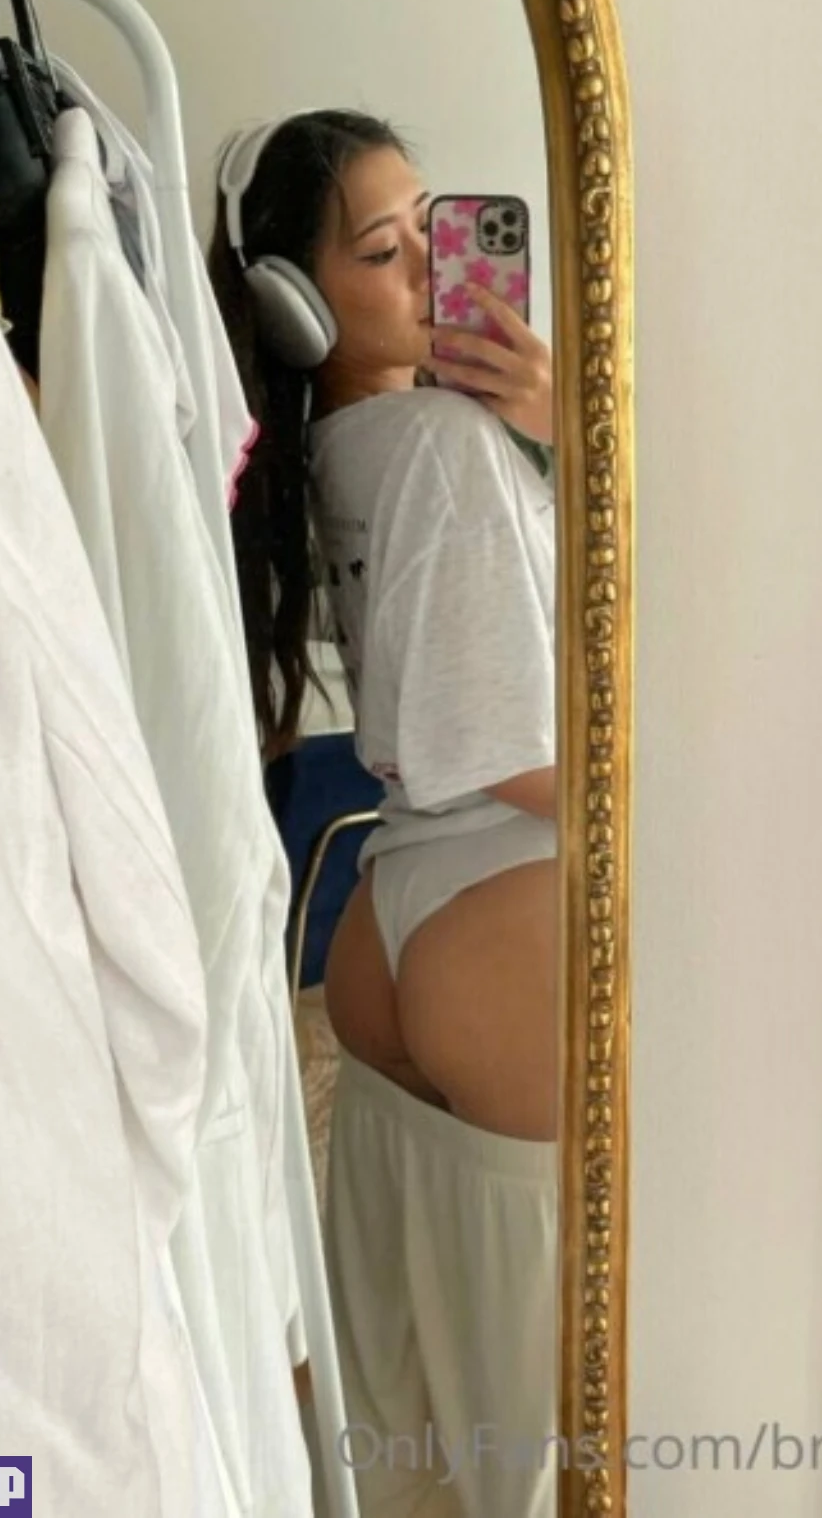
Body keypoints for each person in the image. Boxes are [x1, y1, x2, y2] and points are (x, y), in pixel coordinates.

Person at [209, 110, 560, 1518]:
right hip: (510, 908)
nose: (426, 265)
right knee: (546, 1415)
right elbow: (524, 755)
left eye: (431, 227)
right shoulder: (442, 446)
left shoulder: (326, 456)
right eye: (380, 249)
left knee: (400, 1407)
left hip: (393, 923)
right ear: (296, 303)